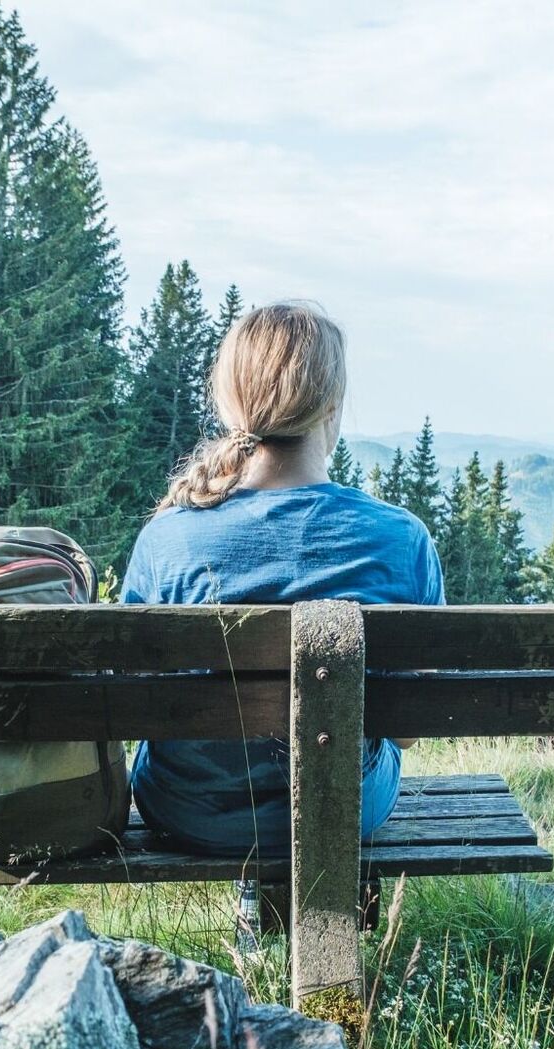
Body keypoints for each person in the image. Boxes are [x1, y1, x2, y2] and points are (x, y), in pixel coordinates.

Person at [120, 301, 443, 939]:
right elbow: (407, 734)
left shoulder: (168, 538)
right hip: (343, 810)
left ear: (230, 405)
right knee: (364, 757)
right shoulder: (401, 539)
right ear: (331, 408)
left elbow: (132, 702)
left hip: (187, 810)